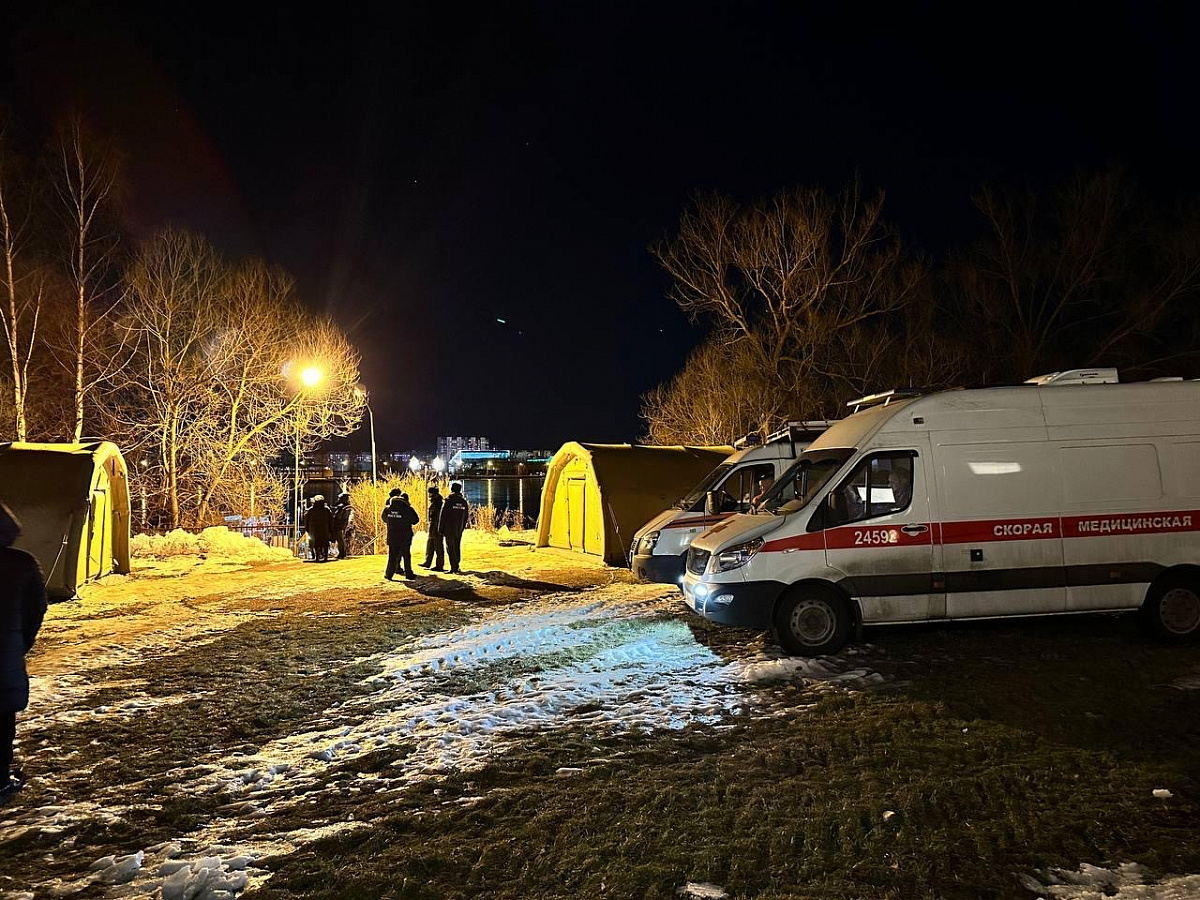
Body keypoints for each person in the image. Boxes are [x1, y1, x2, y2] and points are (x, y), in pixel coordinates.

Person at [0, 502, 47, 801]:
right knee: (2, 722)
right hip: (4, 662)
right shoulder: (22, 564)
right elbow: (36, 611)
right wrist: (19, 645)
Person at [382, 488, 420, 580]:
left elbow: (384, 518)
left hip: (392, 535)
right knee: (406, 555)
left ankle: (389, 574)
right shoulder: (407, 509)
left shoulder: (388, 509)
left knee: (392, 556)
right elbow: (415, 520)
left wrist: (393, 522)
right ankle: (408, 574)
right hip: (405, 536)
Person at [440, 482, 470, 574]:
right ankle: (456, 565)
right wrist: (462, 527)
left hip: (449, 528)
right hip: (458, 528)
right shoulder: (463, 502)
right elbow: (466, 517)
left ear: (452, 489)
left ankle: (454, 567)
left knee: (450, 547)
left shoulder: (449, 500)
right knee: (457, 546)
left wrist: (441, 528)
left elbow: (443, 515)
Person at [304, 495, 334, 562]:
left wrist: (307, 529)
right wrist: (331, 529)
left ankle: (317, 556)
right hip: (324, 529)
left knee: (316, 543)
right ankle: (325, 556)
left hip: (314, 530)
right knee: (325, 543)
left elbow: (306, 520)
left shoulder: (311, 510)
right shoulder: (326, 510)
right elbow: (331, 520)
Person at [422, 486, 445, 570]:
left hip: (436, 529)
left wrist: (434, 530)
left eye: (429, 493)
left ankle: (439, 565)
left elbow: (435, 518)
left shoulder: (437, 503)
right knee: (430, 545)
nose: (428, 494)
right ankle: (427, 562)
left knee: (438, 547)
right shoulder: (436, 501)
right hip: (433, 527)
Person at [332, 493, 355, 560]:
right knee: (340, 539)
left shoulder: (345, 507)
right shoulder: (344, 506)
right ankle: (342, 552)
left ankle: (342, 553)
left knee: (340, 539)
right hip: (341, 524)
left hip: (340, 525)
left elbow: (339, 516)